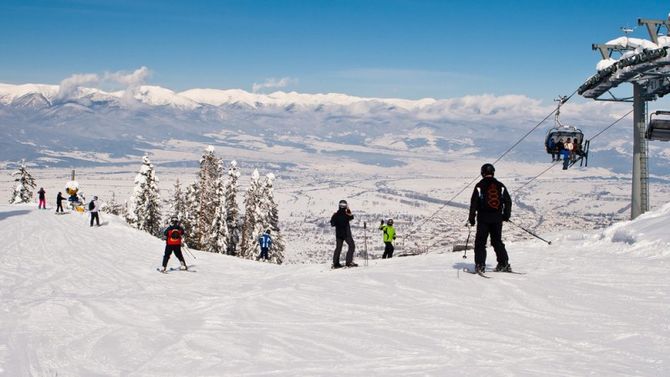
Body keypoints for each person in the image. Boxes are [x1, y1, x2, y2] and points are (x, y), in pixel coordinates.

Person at [468, 163, 513, 273]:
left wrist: (472, 218)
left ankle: (480, 265)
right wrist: (506, 216)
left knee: (480, 243)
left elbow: (474, 203)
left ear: (482, 173)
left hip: (483, 218)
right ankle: (504, 264)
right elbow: (508, 201)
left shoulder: (479, 186)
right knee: (497, 241)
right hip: (497, 218)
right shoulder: (500, 185)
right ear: (493, 172)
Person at [330, 199, 357, 268]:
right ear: (345, 206)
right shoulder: (346, 214)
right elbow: (351, 217)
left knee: (338, 248)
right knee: (352, 246)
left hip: (338, 234)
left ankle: (335, 263)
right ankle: (348, 262)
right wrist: (348, 210)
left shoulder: (335, 215)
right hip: (346, 234)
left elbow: (332, 224)